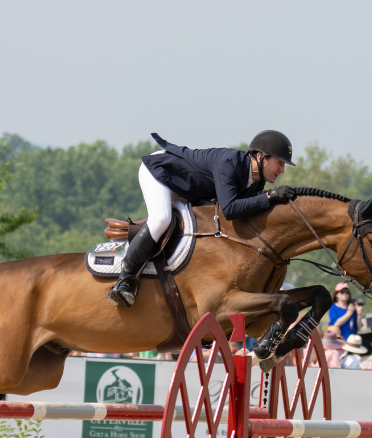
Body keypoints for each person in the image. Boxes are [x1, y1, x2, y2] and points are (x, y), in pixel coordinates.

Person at [107, 131, 296, 307]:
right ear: (260, 157)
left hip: (189, 189)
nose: (282, 170)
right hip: (162, 172)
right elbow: (229, 209)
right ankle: (123, 282)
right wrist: (270, 197)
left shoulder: (256, 181)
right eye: (279, 163)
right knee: (161, 219)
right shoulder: (229, 163)